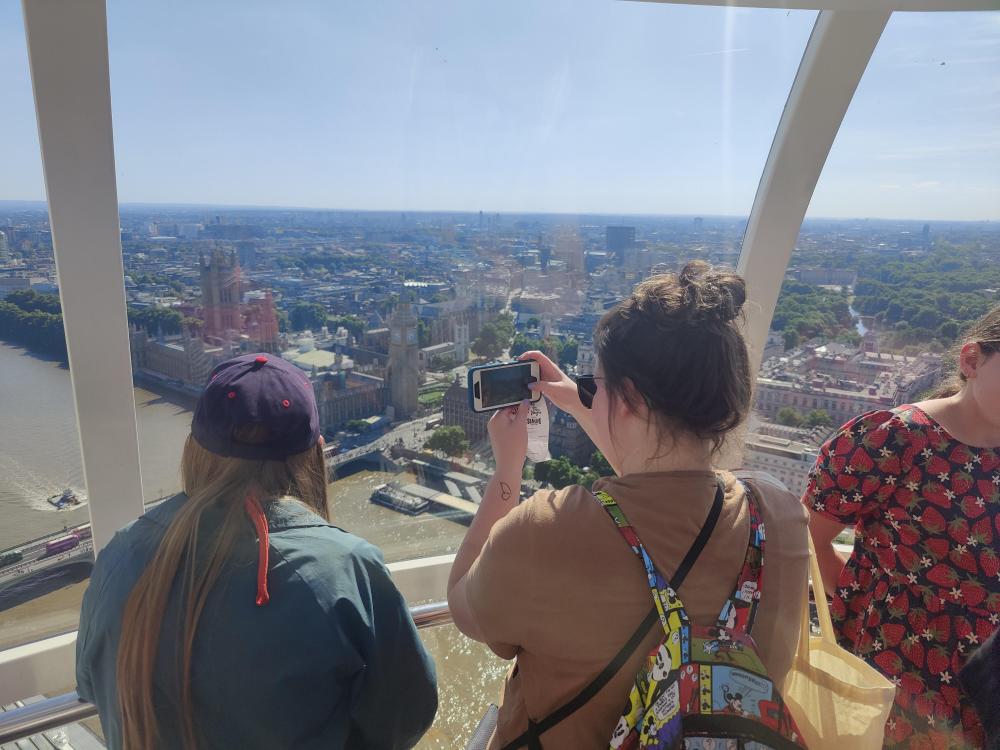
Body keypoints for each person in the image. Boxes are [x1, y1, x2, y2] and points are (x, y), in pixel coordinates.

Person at [447, 262, 809, 749]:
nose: (589, 399)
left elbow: (462, 604)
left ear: (631, 398)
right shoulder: (781, 518)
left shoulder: (546, 531)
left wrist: (507, 470)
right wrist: (582, 401)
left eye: (597, 389)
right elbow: (657, 474)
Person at [76, 353, 437, 750]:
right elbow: (405, 717)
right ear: (316, 452)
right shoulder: (346, 569)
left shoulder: (119, 555)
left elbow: (92, 686)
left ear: (193, 449)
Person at [806, 304, 1000, 748]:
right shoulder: (895, 437)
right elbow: (809, 540)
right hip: (899, 684)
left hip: (988, 694)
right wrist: (870, 614)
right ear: (971, 361)